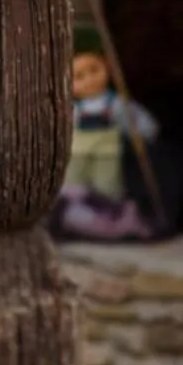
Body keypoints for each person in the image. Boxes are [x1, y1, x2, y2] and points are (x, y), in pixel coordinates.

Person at [50, 23, 162, 241]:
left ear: (107, 67)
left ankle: (108, 224)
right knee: (73, 189)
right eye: (79, 76)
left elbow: (136, 119)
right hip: (78, 155)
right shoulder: (73, 109)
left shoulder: (114, 104)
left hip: (107, 155)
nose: (89, 80)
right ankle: (73, 223)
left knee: (107, 191)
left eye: (94, 70)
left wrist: (144, 131)